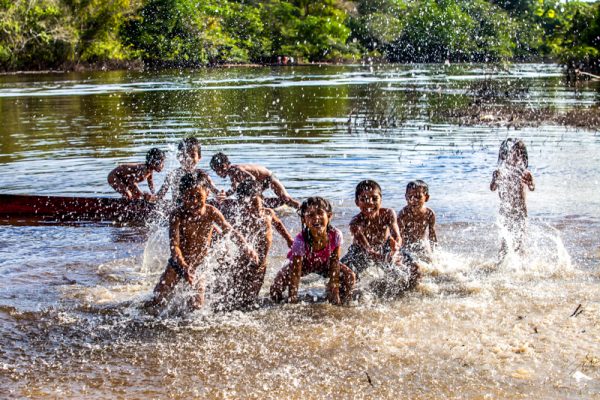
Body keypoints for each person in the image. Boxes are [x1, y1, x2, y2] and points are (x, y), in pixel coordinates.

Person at [147, 173, 258, 312]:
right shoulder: (177, 215)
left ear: (207, 192)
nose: (193, 202)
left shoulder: (211, 212)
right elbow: (174, 246)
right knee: (156, 301)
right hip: (177, 264)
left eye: (198, 197)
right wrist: (184, 266)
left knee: (196, 306)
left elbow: (230, 231)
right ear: (181, 196)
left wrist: (246, 246)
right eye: (189, 197)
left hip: (200, 266)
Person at [216, 180, 294, 309]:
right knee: (236, 286)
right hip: (243, 259)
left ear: (261, 199)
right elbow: (231, 233)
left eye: (255, 204)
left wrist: (289, 239)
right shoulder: (241, 217)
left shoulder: (268, 213)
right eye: (247, 205)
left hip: (261, 263)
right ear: (240, 204)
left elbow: (279, 225)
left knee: (251, 296)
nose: (252, 209)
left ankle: (247, 305)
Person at [270, 196, 355, 305]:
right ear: (304, 220)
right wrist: (293, 298)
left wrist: (335, 293)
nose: (316, 218)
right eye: (310, 215)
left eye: (320, 213)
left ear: (329, 216)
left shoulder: (336, 235)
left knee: (350, 276)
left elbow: (335, 264)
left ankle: (342, 301)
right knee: (277, 285)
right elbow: (295, 273)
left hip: (325, 265)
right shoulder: (300, 241)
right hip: (304, 265)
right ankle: (277, 305)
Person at [490, 138, 535, 257]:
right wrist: (495, 179)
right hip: (505, 211)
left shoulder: (524, 172)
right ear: (506, 155)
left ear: (523, 157)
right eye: (513, 153)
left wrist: (531, 182)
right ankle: (500, 265)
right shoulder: (500, 172)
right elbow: (492, 188)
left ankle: (522, 268)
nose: (516, 157)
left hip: (520, 211)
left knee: (520, 243)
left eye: (520, 154)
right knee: (504, 243)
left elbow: (532, 187)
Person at [209, 152, 300, 208]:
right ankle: (263, 205)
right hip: (260, 182)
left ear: (226, 165)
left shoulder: (237, 170)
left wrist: (255, 193)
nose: (219, 173)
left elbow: (252, 178)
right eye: (217, 171)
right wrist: (225, 195)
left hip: (269, 178)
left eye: (220, 169)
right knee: (250, 198)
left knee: (287, 199)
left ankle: (302, 208)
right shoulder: (232, 174)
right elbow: (234, 188)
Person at [156, 137, 220, 202]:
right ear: (179, 157)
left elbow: (215, 191)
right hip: (179, 209)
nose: (188, 159)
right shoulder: (172, 175)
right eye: (185, 156)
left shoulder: (203, 176)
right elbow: (159, 196)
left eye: (192, 155)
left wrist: (221, 195)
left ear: (199, 157)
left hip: (198, 208)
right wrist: (149, 197)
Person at [397, 180, 437, 263]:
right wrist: (401, 251)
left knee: (432, 262)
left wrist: (435, 251)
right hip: (407, 245)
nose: (413, 200)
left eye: (418, 197)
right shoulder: (403, 214)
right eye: (410, 197)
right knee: (409, 262)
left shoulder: (429, 213)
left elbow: (432, 234)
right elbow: (400, 235)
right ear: (406, 197)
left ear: (427, 197)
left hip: (422, 243)